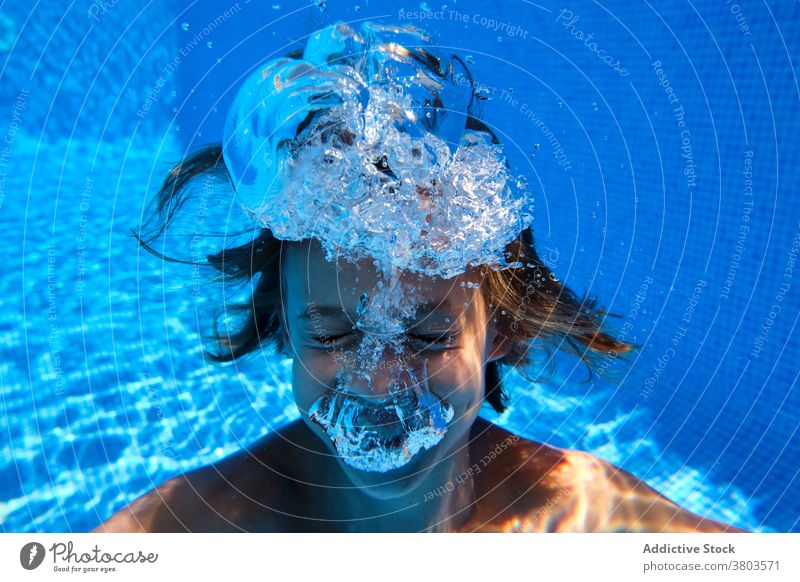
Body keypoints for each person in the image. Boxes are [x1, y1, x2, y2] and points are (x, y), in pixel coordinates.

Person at [94, 22, 743, 533]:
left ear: (504, 332)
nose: (378, 381)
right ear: (284, 329)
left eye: (429, 338)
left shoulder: (588, 520)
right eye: (331, 334)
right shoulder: (198, 529)